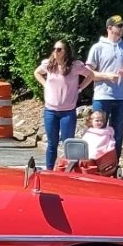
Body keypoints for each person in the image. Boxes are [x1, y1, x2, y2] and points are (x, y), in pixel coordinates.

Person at [86, 15, 123, 161]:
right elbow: (88, 73)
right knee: (97, 130)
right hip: (102, 96)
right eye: (119, 26)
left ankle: (113, 165)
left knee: (117, 133)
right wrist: (106, 76)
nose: (122, 29)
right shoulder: (98, 48)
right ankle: (95, 162)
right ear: (109, 28)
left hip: (122, 97)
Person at [33, 40, 94, 169]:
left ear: (66, 51)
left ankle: (69, 170)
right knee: (52, 143)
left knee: (68, 143)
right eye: (54, 49)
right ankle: (49, 170)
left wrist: (80, 88)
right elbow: (37, 72)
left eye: (59, 49)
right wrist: (45, 84)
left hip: (68, 111)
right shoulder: (48, 64)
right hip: (50, 110)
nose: (56, 51)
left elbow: (90, 75)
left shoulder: (75, 66)